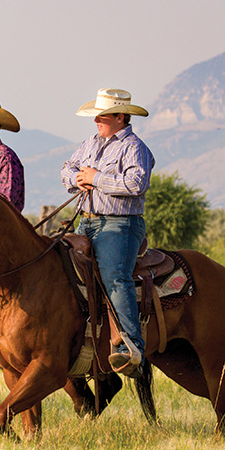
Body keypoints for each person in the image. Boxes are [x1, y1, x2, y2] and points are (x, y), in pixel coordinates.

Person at [60, 88, 155, 377]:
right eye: (96, 115)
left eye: (102, 115)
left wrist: (96, 178)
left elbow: (136, 183)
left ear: (120, 116)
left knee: (115, 278)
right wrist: (78, 178)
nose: (96, 120)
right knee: (62, 271)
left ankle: (130, 347)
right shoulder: (89, 143)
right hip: (86, 222)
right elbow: (66, 168)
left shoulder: (134, 147)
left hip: (120, 225)